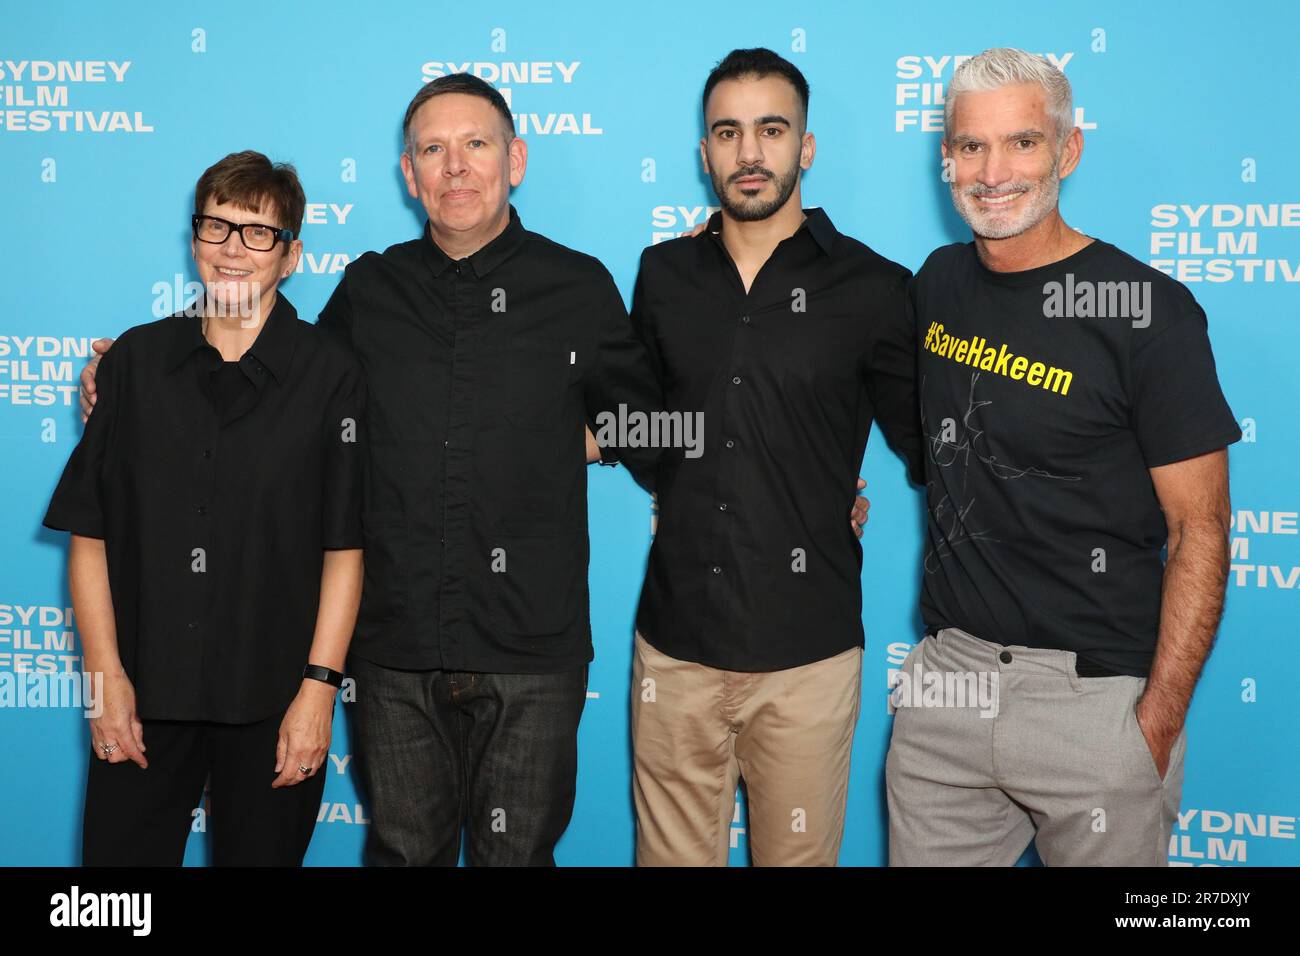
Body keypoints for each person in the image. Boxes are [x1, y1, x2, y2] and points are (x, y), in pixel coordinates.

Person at [885, 48, 1239, 866]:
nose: (993, 171)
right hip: (948, 685)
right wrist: (726, 243)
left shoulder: (1147, 313)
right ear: (946, 158)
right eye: (971, 146)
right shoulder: (937, 284)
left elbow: (1202, 529)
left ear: (1068, 151)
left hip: (1096, 701)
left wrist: (1154, 724)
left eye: (1022, 143)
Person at [625, 49, 923, 866]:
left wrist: (821, 477)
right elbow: (641, 429)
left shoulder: (876, 288)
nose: (748, 151)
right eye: (727, 131)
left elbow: (930, 445)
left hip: (809, 656)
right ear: (704, 152)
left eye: (770, 129)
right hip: (674, 648)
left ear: (807, 146)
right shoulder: (662, 273)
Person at [46, 150, 365, 865]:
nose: (231, 250)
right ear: (193, 239)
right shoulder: (134, 362)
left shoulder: (331, 375)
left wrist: (318, 691)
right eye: (216, 227)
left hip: (276, 700)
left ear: (291, 257)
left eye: (258, 233)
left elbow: (344, 549)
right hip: (141, 695)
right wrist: (105, 681)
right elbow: (90, 534)